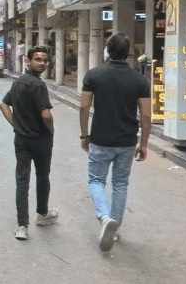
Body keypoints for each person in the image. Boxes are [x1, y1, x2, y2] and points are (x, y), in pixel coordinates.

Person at [79, 33, 150, 252]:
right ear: (128, 52)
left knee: (96, 180)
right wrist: (144, 143)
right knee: (120, 183)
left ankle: (104, 217)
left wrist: (84, 135)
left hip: (101, 138)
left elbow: (84, 107)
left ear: (107, 51)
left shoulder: (94, 75)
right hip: (127, 140)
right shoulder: (140, 79)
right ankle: (115, 226)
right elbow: (146, 115)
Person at [0, 46, 58, 241]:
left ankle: (22, 225)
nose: (42, 63)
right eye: (38, 59)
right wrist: (50, 128)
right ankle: (42, 215)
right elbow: (46, 114)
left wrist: (16, 125)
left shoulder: (18, 83)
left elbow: (3, 105)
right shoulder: (38, 85)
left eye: (44, 60)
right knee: (42, 177)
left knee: (22, 180)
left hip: (21, 139)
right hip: (40, 139)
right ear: (28, 60)